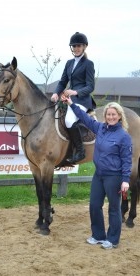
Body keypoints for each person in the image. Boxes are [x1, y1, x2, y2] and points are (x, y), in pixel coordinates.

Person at [61, 95, 132, 249]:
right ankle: (98, 235)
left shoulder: (124, 137)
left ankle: (112, 240)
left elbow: (127, 160)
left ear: (119, 117)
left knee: (114, 208)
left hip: (114, 176)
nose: (111, 117)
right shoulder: (100, 128)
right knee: (94, 205)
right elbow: (85, 119)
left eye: (114, 114)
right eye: (108, 114)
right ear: (105, 116)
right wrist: (72, 104)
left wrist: (125, 179)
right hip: (99, 175)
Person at [51, 32, 95, 164]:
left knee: (69, 120)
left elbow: (90, 86)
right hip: (67, 99)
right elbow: (62, 82)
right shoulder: (69, 63)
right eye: (74, 46)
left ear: (84, 47)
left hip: (82, 100)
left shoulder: (88, 64)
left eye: (79, 46)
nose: (76, 48)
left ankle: (80, 152)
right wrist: (55, 93)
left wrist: (75, 92)